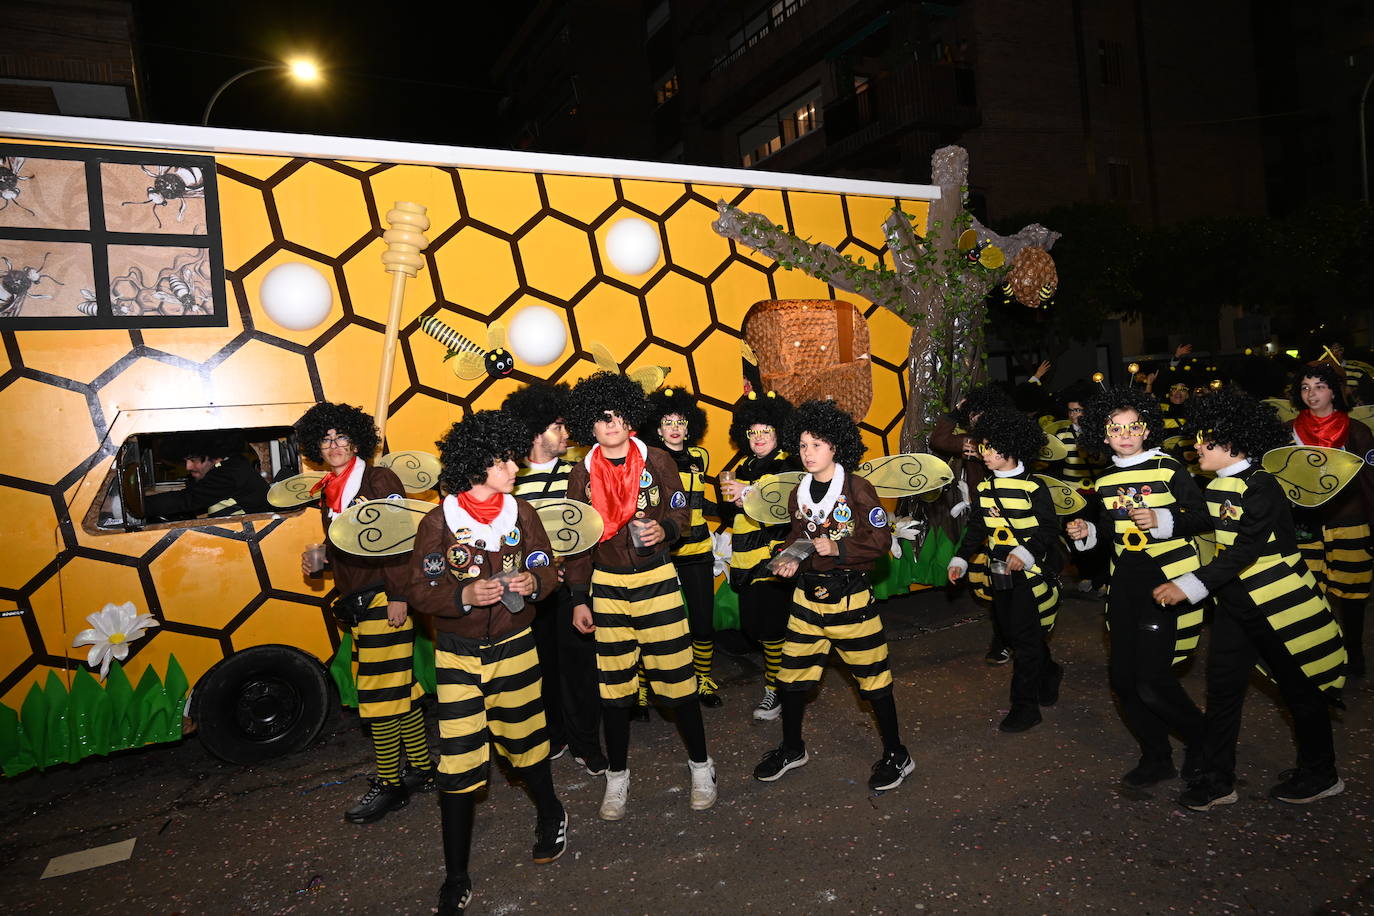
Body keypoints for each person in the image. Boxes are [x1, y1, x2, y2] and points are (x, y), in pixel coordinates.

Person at [1153, 390, 1347, 810]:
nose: (1196, 446)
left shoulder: (1262, 486)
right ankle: (1220, 779)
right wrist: (1162, 520)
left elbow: (1247, 550)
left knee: (1301, 691)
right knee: (1223, 691)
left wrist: (1190, 585)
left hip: (1278, 607)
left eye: (1205, 440)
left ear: (1233, 442)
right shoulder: (1220, 484)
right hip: (1236, 607)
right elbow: (1206, 519)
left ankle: (1321, 773)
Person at [405, 410, 567, 915]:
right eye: (504, 461)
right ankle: (456, 876)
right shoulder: (439, 522)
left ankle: (551, 811)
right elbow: (418, 591)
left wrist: (533, 584)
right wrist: (464, 594)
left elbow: (547, 568)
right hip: (457, 655)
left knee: (526, 743)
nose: (515, 467)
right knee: (458, 763)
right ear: (479, 464)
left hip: (517, 648)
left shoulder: (521, 513)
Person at [563, 371, 716, 820]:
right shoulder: (580, 474)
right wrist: (577, 597)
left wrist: (665, 528)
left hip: (658, 580)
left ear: (630, 418)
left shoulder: (658, 460)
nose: (611, 424)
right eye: (602, 418)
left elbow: (681, 511)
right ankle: (617, 778)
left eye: (618, 416)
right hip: (607, 587)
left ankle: (702, 767)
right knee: (614, 692)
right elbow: (577, 542)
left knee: (679, 683)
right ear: (589, 425)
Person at [753, 400, 915, 793]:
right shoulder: (799, 492)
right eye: (804, 445)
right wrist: (791, 559)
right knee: (791, 680)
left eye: (818, 445)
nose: (809, 453)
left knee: (874, 683)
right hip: (807, 604)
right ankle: (793, 748)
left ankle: (898, 754)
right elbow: (798, 538)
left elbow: (880, 540)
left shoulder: (857, 488)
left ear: (836, 446)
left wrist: (838, 551)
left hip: (852, 603)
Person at [292, 403, 432, 824]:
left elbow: (400, 538)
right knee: (397, 687)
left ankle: (389, 784)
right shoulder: (331, 489)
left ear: (357, 441)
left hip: (383, 599)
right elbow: (355, 545)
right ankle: (422, 769)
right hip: (358, 600)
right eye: (326, 439)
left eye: (342, 437)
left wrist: (398, 594)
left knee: (378, 695)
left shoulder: (377, 478)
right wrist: (324, 561)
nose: (334, 446)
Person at [1066, 387, 1209, 789]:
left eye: (1133, 426)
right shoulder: (1107, 477)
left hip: (1167, 584)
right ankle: (1156, 756)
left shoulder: (1169, 469)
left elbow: (1201, 516)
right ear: (1103, 434)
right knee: (1123, 682)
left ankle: (1204, 738)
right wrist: (1087, 531)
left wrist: (1163, 519)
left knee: (1151, 680)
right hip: (1124, 585)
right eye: (1116, 428)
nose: (1125, 434)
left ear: (1147, 429)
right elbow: (1111, 531)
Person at [502, 381, 607, 776]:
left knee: (580, 670)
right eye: (558, 426)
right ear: (535, 431)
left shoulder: (577, 473)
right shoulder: (509, 479)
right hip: (530, 595)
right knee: (540, 669)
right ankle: (555, 735)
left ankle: (586, 744)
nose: (566, 434)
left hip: (573, 591)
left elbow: (592, 528)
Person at [949, 406, 1063, 732]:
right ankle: (1050, 670)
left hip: (1027, 574)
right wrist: (960, 559)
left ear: (1010, 448)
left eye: (990, 448)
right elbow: (976, 528)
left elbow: (1048, 529)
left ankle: (1025, 707)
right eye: (982, 446)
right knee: (1014, 633)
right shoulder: (985, 488)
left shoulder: (1034, 487)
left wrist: (1025, 552)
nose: (983, 453)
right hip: (997, 574)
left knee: (1025, 641)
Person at [717, 391, 801, 721]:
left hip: (774, 559)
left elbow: (783, 499)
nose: (759, 438)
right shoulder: (744, 465)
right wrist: (731, 501)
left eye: (766, 430)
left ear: (779, 431)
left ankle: (776, 689)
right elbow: (733, 511)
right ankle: (782, 681)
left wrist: (749, 493)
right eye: (753, 432)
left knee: (774, 626)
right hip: (746, 560)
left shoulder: (787, 463)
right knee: (756, 627)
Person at [1289, 362, 1374, 679]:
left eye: (1319, 386)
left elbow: (1370, 481)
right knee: (1309, 592)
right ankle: (1319, 652)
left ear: (1335, 392)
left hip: (1350, 520)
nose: (1311, 393)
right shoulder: (1289, 430)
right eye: (1305, 387)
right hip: (1305, 524)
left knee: (1352, 593)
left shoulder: (1357, 431)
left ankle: (1354, 651)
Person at [645, 386, 722, 708]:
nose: (675, 428)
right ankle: (642, 686)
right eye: (668, 422)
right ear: (658, 428)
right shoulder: (649, 459)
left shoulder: (700, 457)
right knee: (652, 621)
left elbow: (699, 499)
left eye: (680, 422)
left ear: (689, 427)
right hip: (662, 551)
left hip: (698, 549)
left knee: (703, 618)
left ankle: (702, 677)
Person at [932, 385, 1017, 665]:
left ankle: (1016, 639)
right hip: (984, 519)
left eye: (983, 413)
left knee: (1016, 582)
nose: (977, 418)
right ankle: (1003, 638)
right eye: (974, 413)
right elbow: (939, 439)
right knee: (994, 582)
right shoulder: (969, 440)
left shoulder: (1010, 439)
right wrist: (956, 413)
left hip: (1015, 516)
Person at [143, 430, 271, 520]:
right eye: (186, 460)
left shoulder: (229, 474)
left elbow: (188, 500)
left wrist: (140, 506)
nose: (188, 466)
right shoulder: (232, 464)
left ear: (213, 455)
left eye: (193, 460)